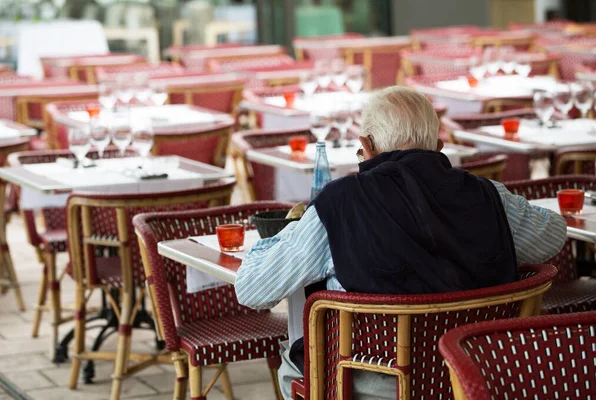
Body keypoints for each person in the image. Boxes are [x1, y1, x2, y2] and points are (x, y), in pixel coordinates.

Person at [234, 86, 567, 399]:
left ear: (365, 146)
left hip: (375, 380)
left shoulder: (341, 204)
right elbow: (553, 236)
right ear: (438, 147)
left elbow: (252, 288)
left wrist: (290, 229)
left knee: (293, 361)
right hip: (477, 373)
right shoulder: (487, 194)